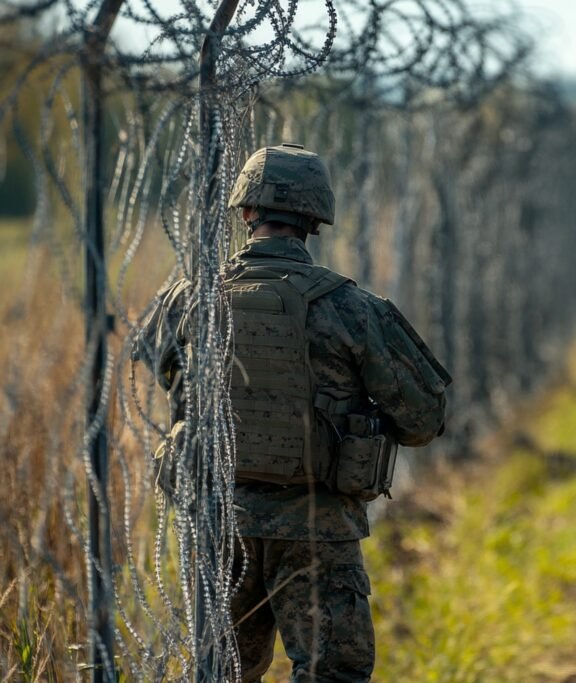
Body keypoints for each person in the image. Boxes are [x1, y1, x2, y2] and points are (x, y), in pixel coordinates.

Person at [133, 143, 450, 681]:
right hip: (317, 528)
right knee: (331, 673)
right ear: (315, 220)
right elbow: (424, 421)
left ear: (245, 212)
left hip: (219, 520)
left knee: (221, 672)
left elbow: (165, 378)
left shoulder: (188, 300)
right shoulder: (352, 308)